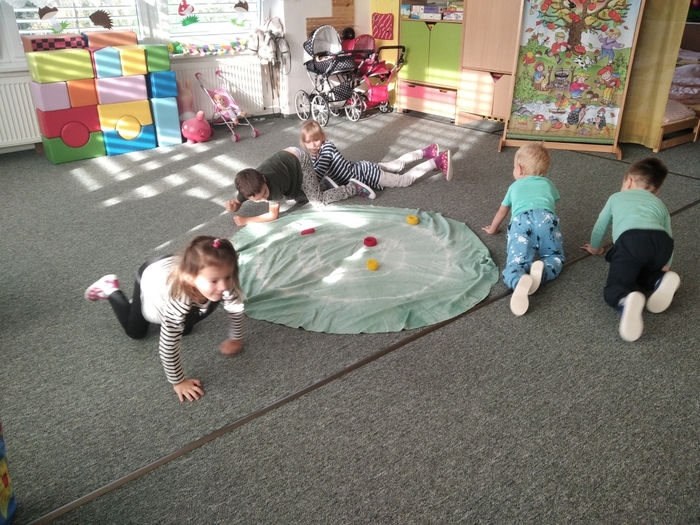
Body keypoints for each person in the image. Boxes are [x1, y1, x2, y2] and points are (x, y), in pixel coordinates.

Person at [84, 236, 245, 402]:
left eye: (228, 277)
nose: (223, 286)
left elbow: (235, 309)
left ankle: (138, 304)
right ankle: (110, 289)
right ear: (190, 279)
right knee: (136, 332)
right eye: (214, 281)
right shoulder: (178, 301)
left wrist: (236, 338)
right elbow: (168, 345)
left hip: (172, 269)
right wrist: (179, 382)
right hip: (150, 276)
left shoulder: (223, 282)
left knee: (187, 328)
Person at [582, 157, 679, 342]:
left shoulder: (616, 197)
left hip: (631, 242)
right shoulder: (660, 204)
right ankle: (660, 280)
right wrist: (666, 264)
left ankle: (624, 300)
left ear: (628, 181)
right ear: (656, 192)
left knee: (616, 286)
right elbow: (669, 235)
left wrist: (595, 248)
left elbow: (600, 226)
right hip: (661, 245)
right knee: (643, 275)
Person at [482, 142, 565, 316]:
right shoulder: (549, 184)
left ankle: (517, 280)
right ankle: (542, 272)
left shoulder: (514, 187)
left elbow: (502, 212)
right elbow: (552, 203)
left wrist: (493, 229)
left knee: (516, 262)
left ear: (519, 169)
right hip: (546, 219)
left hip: (521, 222)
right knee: (554, 256)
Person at [225, 146, 373, 226]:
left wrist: (247, 220)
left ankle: (353, 187)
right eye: (257, 200)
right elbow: (238, 202)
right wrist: (234, 206)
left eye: (264, 193)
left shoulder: (272, 186)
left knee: (317, 201)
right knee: (295, 198)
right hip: (287, 168)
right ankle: (322, 185)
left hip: (300, 160)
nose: (264, 199)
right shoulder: (248, 187)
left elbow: (273, 215)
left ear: (263, 179)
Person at [300, 120, 452, 192]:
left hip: (367, 174)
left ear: (323, 137)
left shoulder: (326, 148)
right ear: (304, 143)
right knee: (397, 165)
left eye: (316, 140)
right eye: (308, 142)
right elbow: (315, 171)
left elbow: (317, 174)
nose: (313, 145)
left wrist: (302, 188)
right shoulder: (315, 154)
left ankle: (438, 160)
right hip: (361, 167)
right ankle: (427, 152)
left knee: (403, 180)